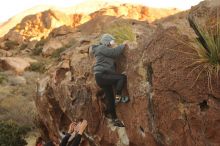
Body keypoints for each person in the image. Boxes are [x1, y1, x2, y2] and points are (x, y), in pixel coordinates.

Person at [91, 34, 129, 127]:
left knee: (110, 99)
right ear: (106, 42)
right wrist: (124, 44)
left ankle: (114, 119)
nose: (113, 43)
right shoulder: (101, 48)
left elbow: (112, 54)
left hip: (101, 77)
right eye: (112, 41)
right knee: (121, 78)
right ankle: (119, 97)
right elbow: (115, 53)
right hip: (102, 75)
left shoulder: (102, 49)